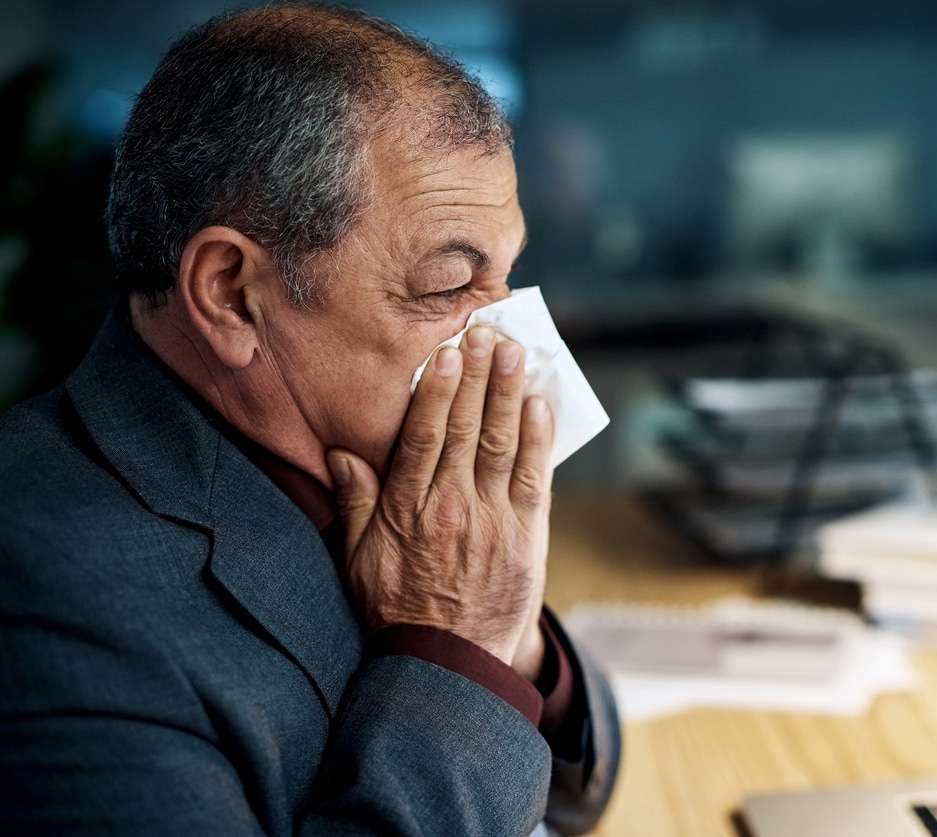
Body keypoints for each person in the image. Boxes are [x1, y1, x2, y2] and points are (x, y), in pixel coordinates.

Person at [0, 4, 619, 835]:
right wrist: (459, 643)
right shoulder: (42, 591)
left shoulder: (399, 474)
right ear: (231, 294)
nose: (508, 342)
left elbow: (579, 792)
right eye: (447, 287)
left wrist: (515, 638)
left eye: (504, 278)